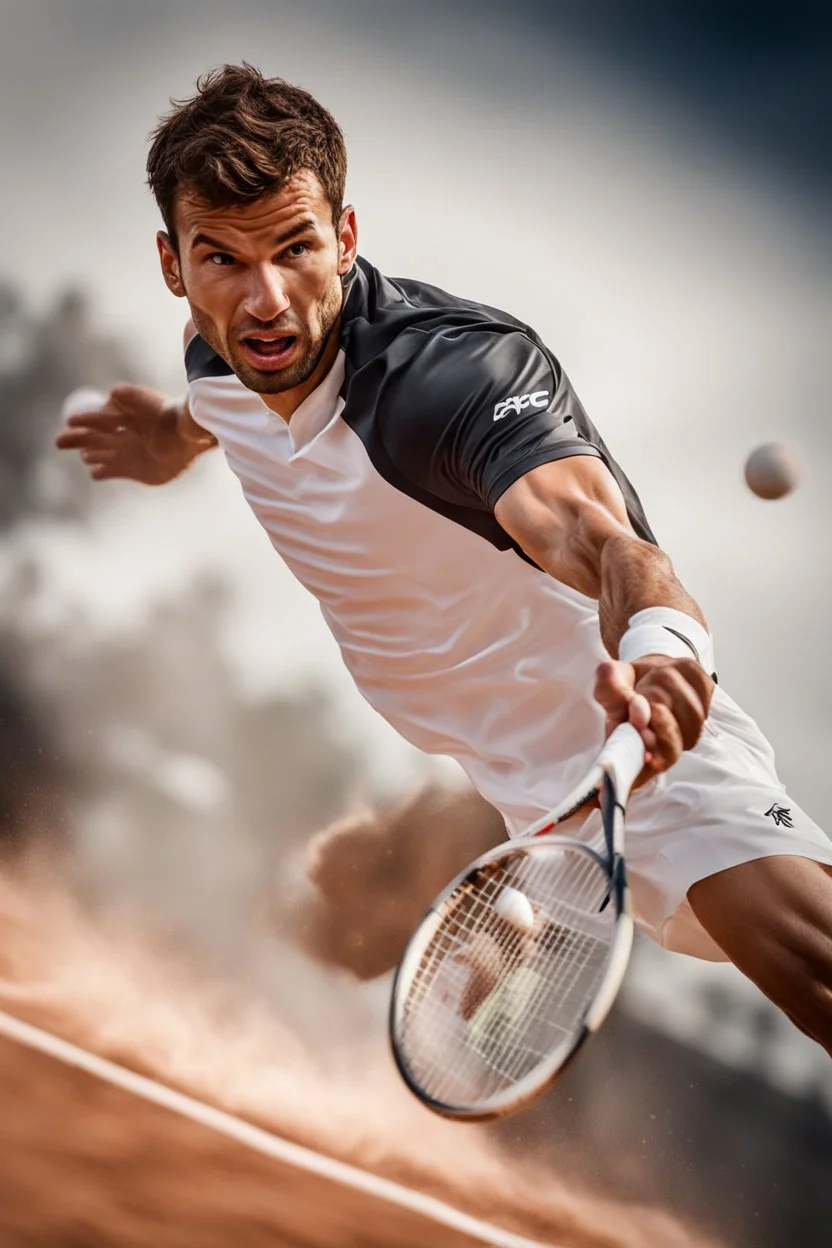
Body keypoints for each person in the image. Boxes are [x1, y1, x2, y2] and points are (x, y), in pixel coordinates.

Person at [56, 64, 832, 1052]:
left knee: (812, 973)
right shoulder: (217, 361)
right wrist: (164, 442)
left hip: (629, 741)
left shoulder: (451, 380)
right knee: (331, 925)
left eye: (296, 249)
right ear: (174, 265)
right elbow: (207, 413)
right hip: (484, 761)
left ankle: (529, 905)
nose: (266, 301)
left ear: (344, 237)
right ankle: (521, 901)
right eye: (222, 261)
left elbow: (601, 540)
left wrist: (664, 652)